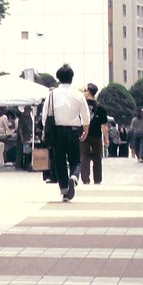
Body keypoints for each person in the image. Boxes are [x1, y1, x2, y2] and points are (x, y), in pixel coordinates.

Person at [46, 64, 89, 202]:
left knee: (59, 161)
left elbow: (45, 115)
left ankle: (64, 190)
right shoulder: (79, 94)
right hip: (74, 130)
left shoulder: (51, 94)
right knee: (75, 159)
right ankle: (74, 177)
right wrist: (86, 131)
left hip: (57, 131)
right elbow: (86, 116)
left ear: (58, 78)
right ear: (72, 77)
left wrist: (45, 131)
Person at [79, 84, 109, 185]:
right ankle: (97, 180)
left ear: (88, 92)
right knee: (97, 158)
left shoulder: (81, 106)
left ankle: (85, 179)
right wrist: (106, 138)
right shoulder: (101, 108)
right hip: (96, 136)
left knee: (84, 157)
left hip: (84, 135)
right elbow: (104, 125)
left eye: (85, 90)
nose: (83, 92)